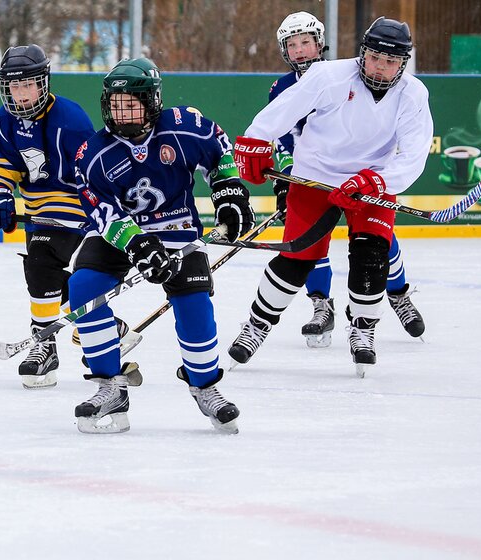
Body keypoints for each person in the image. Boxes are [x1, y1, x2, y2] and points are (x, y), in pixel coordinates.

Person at [229, 17, 433, 376]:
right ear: (363, 53)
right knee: (297, 259)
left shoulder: (413, 94)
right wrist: (255, 141)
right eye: (374, 58)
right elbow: (282, 110)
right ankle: (257, 325)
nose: (380, 67)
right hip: (315, 177)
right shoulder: (329, 76)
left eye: (390, 61)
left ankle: (363, 329)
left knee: (372, 255)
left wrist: (377, 181)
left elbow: (414, 156)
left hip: (371, 183)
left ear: (403, 63)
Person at [69, 57, 254, 433]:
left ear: (152, 101)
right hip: (122, 233)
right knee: (83, 287)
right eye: (115, 104)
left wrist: (230, 195)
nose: (121, 113)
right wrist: (138, 246)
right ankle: (110, 386)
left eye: (131, 104)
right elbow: (104, 213)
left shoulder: (185, 126)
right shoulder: (93, 154)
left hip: (178, 228)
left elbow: (220, 153)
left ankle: (205, 386)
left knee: (194, 304)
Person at [0, 44, 134, 390]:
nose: (20, 94)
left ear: (43, 83)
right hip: (37, 210)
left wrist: (100, 213)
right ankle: (104, 328)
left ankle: (45, 344)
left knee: (42, 259)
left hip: (77, 206)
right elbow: (4, 167)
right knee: (44, 271)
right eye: (14, 86)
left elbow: (93, 173)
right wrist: (0, 192)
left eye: (27, 85)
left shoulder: (70, 119)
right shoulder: (5, 119)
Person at [271, 11, 426, 348]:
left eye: (306, 42)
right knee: (310, 239)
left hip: (359, 177)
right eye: (292, 45)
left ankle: (398, 293)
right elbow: (282, 135)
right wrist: (286, 179)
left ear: (320, 43)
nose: (299, 50)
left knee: (377, 239)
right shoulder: (282, 87)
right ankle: (321, 303)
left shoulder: (343, 76)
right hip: (312, 176)